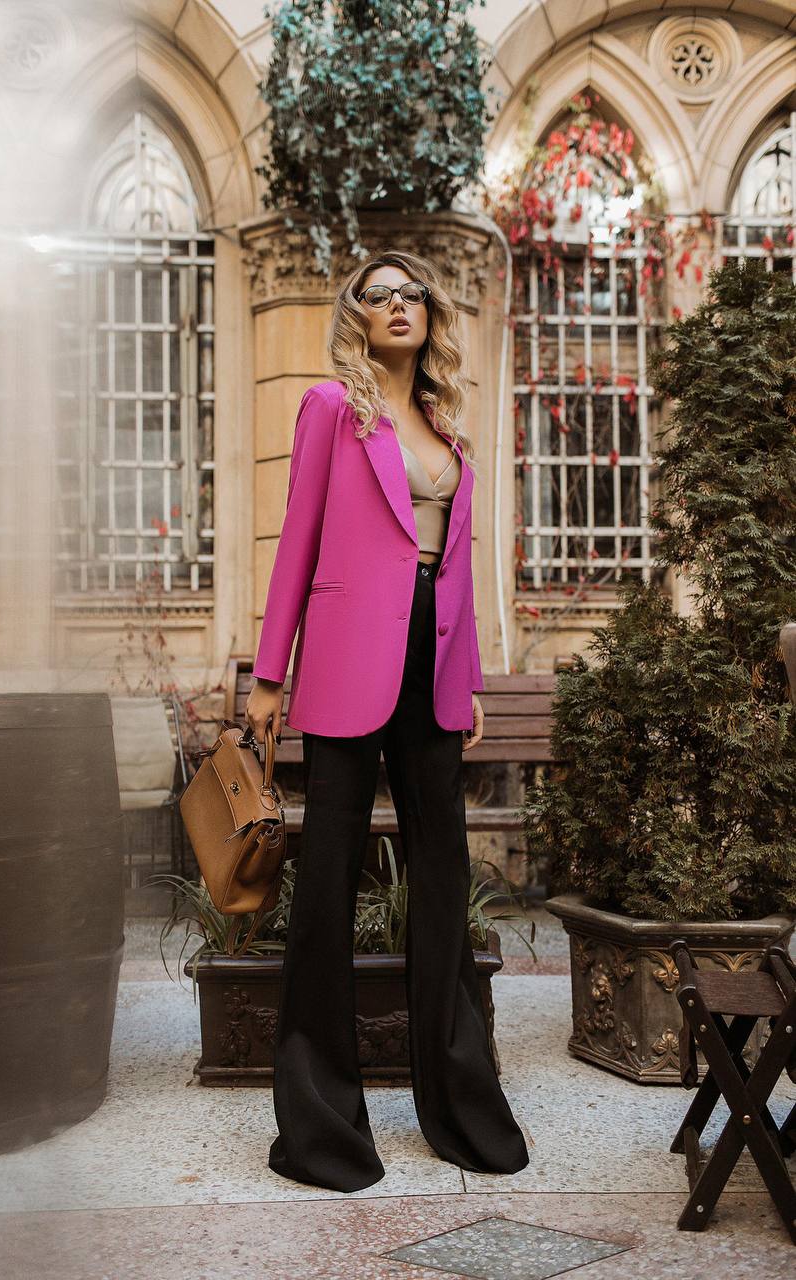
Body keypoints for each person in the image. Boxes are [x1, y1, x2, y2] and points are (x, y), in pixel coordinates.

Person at [245, 249, 530, 1193]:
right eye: (380, 295)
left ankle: (456, 1104)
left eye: (413, 294)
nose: (399, 306)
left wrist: (469, 674)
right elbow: (297, 539)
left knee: (442, 880)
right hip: (343, 659)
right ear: (357, 315)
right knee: (325, 884)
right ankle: (322, 1124)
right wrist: (267, 669)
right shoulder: (334, 407)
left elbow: (457, 558)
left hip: (431, 662)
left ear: (428, 314)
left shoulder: (445, 420)